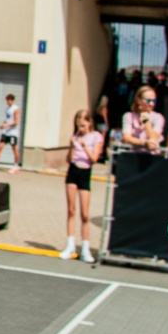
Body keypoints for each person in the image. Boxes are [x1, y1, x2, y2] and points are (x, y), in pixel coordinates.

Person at [61, 108, 103, 260]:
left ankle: (86, 247)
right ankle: (70, 244)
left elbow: (94, 159)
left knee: (85, 213)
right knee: (71, 210)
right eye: (79, 125)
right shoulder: (75, 136)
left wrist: (85, 146)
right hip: (73, 171)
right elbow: (69, 159)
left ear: (89, 123)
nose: (81, 128)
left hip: (85, 173)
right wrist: (72, 146)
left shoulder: (96, 136)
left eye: (83, 125)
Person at [120, 85, 165, 150]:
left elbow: (153, 139)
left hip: (151, 155)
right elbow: (126, 138)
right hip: (131, 153)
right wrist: (144, 143)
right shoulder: (128, 116)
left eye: (154, 101)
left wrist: (146, 121)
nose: (151, 104)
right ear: (139, 100)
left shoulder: (158, 118)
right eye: (149, 100)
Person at [0, 91, 22, 166]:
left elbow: (16, 122)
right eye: (7, 100)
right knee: (0, 147)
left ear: (12, 100)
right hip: (6, 132)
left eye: (9, 100)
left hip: (12, 133)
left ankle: (16, 165)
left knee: (14, 149)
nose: (8, 102)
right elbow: (8, 120)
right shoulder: (7, 109)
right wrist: (2, 124)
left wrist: (6, 125)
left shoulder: (15, 109)